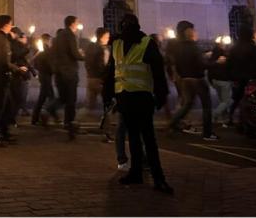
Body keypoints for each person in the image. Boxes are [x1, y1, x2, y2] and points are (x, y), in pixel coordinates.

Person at [103, 14, 173, 194]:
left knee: (147, 138)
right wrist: (108, 93)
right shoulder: (117, 44)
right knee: (134, 137)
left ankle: (158, 178)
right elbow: (112, 70)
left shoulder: (145, 42)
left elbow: (157, 70)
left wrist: (161, 93)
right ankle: (137, 173)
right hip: (126, 97)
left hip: (140, 98)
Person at [166, 21, 219, 141]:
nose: (195, 32)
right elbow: (201, 64)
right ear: (188, 32)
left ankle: (172, 124)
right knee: (207, 106)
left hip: (185, 79)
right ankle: (208, 133)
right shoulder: (193, 46)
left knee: (187, 104)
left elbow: (176, 63)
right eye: (193, 30)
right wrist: (216, 63)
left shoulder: (177, 47)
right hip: (197, 79)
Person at [0, 15, 27, 147]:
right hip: (1, 78)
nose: (11, 26)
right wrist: (18, 69)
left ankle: (3, 132)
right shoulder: (1, 40)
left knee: (8, 105)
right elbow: (4, 61)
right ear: (6, 25)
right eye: (10, 24)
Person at [226, 26, 256, 128]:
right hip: (249, 79)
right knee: (248, 102)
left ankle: (231, 118)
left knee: (237, 100)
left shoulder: (234, 48)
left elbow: (229, 63)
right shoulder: (252, 47)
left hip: (237, 78)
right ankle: (245, 124)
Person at [50, 16, 85, 140]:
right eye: (77, 22)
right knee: (71, 100)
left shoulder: (57, 37)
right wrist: (83, 55)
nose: (77, 25)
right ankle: (70, 125)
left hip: (59, 72)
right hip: (69, 72)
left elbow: (53, 54)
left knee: (63, 97)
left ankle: (49, 109)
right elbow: (74, 53)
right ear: (72, 23)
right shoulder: (70, 35)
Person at [85, 27, 113, 141]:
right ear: (101, 37)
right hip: (100, 80)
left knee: (89, 106)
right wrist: (105, 78)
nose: (108, 39)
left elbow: (87, 63)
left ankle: (74, 122)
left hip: (90, 79)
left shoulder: (90, 47)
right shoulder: (103, 50)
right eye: (107, 37)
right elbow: (102, 66)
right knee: (109, 105)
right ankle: (107, 132)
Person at [7, 27, 32, 127]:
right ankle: (10, 120)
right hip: (15, 75)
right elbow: (16, 56)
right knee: (16, 99)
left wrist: (33, 72)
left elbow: (25, 61)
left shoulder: (16, 44)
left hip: (19, 74)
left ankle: (11, 119)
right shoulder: (13, 44)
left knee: (17, 98)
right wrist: (26, 49)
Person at [31, 33, 55, 125]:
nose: (50, 42)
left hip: (43, 75)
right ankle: (37, 117)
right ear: (46, 40)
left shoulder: (41, 50)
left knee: (49, 96)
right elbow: (48, 63)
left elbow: (36, 64)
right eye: (49, 40)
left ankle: (50, 116)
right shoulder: (45, 50)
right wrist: (53, 70)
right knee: (44, 97)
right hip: (46, 76)